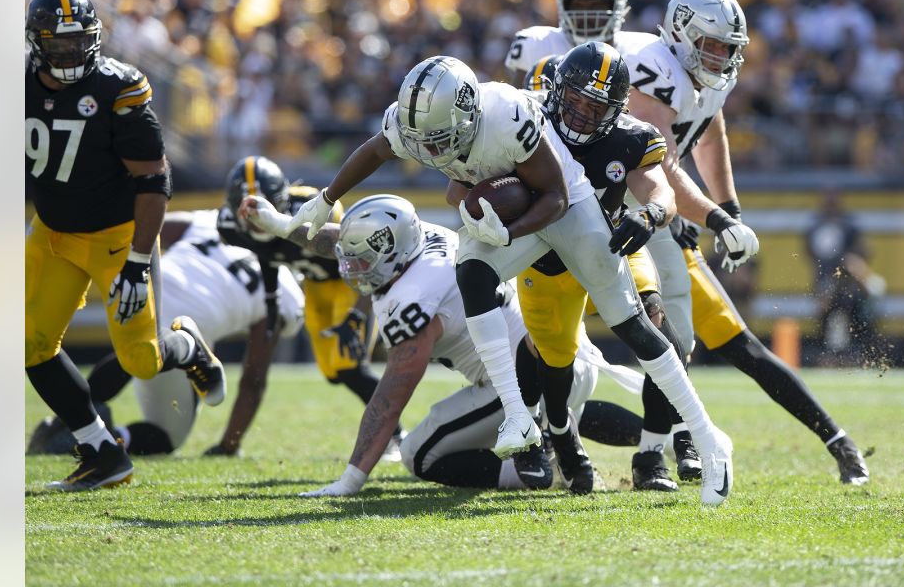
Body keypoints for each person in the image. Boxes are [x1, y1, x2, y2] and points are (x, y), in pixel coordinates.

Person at [285, 55, 734, 504]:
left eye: (442, 139)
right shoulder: (412, 123)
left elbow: (557, 198)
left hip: (569, 208)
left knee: (630, 322)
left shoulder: (507, 117)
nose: (434, 151)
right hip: (523, 213)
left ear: (468, 113)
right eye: (425, 140)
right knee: (472, 270)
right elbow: (377, 150)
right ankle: (517, 415)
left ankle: (708, 440)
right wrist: (327, 198)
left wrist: (508, 232)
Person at [621, 0, 870, 484]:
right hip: (604, 212)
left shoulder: (702, 78)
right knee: (562, 342)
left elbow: (709, 131)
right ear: (680, 34)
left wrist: (728, 206)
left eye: (728, 48)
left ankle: (662, 452)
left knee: (689, 340)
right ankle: (567, 440)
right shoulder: (652, 68)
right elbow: (661, 164)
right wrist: (718, 219)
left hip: (657, 219)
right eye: (711, 45)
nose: (721, 57)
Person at [240, 194, 645, 494]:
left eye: (364, 261)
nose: (353, 268)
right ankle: (653, 443)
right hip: (565, 355)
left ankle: (541, 473)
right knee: (567, 412)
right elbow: (342, 242)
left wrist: (352, 478)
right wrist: (280, 225)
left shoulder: (414, 298)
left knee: (420, 454)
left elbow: (392, 394)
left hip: (520, 378)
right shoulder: (422, 239)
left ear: (391, 252)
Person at [24, 0, 225, 491]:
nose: (69, 51)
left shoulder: (118, 89)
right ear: (36, 42)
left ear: (94, 39)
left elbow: (154, 182)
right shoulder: (15, 83)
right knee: (29, 344)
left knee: (142, 359)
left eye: (78, 41)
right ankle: (100, 451)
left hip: (117, 238)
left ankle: (184, 346)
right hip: (53, 232)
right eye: (58, 42)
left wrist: (138, 260)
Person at [497, 42, 685, 493]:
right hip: (545, 260)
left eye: (596, 105)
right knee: (554, 361)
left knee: (657, 325)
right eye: (577, 98)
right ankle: (560, 438)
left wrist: (651, 214)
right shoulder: (525, 123)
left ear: (617, 109)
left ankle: (655, 452)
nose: (582, 112)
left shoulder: (629, 136)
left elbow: (661, 192)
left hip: (612, 243)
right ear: (557, 89)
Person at [27, 210, 305, 455]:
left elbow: (147, 225)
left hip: (148, 289)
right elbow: (253, 378)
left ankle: (68, 424)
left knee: (136, 352)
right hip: (188, 325)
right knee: (166, 433)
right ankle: (103, 437)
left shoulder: (209, 220)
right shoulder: (286, 290)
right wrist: (228, 445)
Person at [212, 156, 403, 456]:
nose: (253, 215)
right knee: (332, 371)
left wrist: (359, 312)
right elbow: (268, 252)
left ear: (280, 201)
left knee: (349, 365)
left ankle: (396, 435)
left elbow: (364, 255)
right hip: (315, 285)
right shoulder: (230, 226)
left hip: (351, 282)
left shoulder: (309, 208)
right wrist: (272, 299)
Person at [504, 0, 638, 87]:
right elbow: (516, 104)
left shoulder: (639, 52)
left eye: (597, 5)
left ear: (617, 6)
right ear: (563, 5)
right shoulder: (535, 44)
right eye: (578, 5)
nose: (586, 15)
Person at [805, 189, 868, 298]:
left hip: (848, 278)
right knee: (825, 306)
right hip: (824, 275)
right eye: (828, 202)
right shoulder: (816, 223)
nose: (830, 206)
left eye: (833, 202)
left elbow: (864, 249)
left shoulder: (848, 223)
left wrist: (850, 260)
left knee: (849, 304)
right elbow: (808, 250)